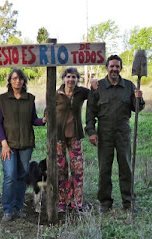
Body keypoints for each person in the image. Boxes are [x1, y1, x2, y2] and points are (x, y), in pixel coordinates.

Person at [85, 54, 145, 213]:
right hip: (104, 132)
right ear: (107, 68)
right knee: (104, 168)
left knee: (126, 167)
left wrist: (139, 98)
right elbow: (90, 111)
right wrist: (91, 131)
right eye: (111, 66)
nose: (114, 69)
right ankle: (105, 202)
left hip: (123, 131)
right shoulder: (98, 86)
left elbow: (137, 108)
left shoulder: (129, 86)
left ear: (121, 68)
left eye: (117, 66)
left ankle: (128, 202)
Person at [0, 68, 46, 222]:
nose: (18, 81)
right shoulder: (3, 99)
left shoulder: (29, 98)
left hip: (26, 144)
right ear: (10, 81)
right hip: (8, 144)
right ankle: (8, 210)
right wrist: (4, 143)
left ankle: (19, 207)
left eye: (20, 78)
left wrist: (42, 121)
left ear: (24, 81)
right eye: (14, 78)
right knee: (10, 175)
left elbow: (33, 120)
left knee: (21, 176)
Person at [55, 67, 89, 212]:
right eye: (68, 77)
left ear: (77, 79)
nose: (71, 79)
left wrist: (95, 84)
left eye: (74, 77)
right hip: (59, 137)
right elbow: (48, 110)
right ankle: (62, 201)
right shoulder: (56, 94)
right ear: (63, 79)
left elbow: (96, 95)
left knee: (78, 169)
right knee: (61, 170)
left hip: (75, 136)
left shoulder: (81, 92)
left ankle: (76, 201)